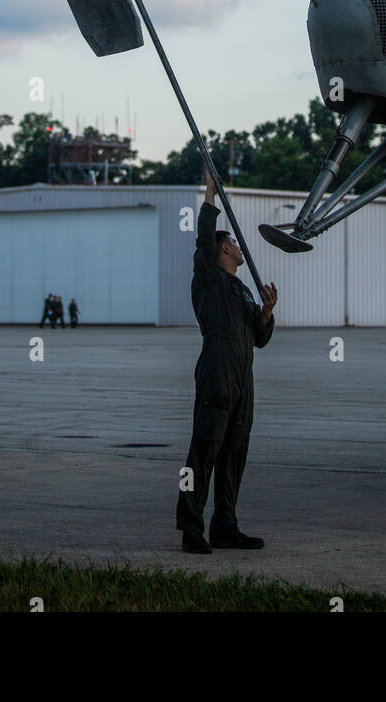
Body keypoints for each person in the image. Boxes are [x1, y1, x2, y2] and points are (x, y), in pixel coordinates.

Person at [176, 168, 277, 554]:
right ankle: (190, 529)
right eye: (231, 242)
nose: (237, 245)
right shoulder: (209, 280)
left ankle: (225, 526)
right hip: (217, 372)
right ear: (223, 250)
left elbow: (260, 338)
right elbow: (203, 240)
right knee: (203, 452)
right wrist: (210, 195)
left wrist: (266, 312)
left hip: (242, 378)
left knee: (234, 452)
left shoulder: (242, 289)